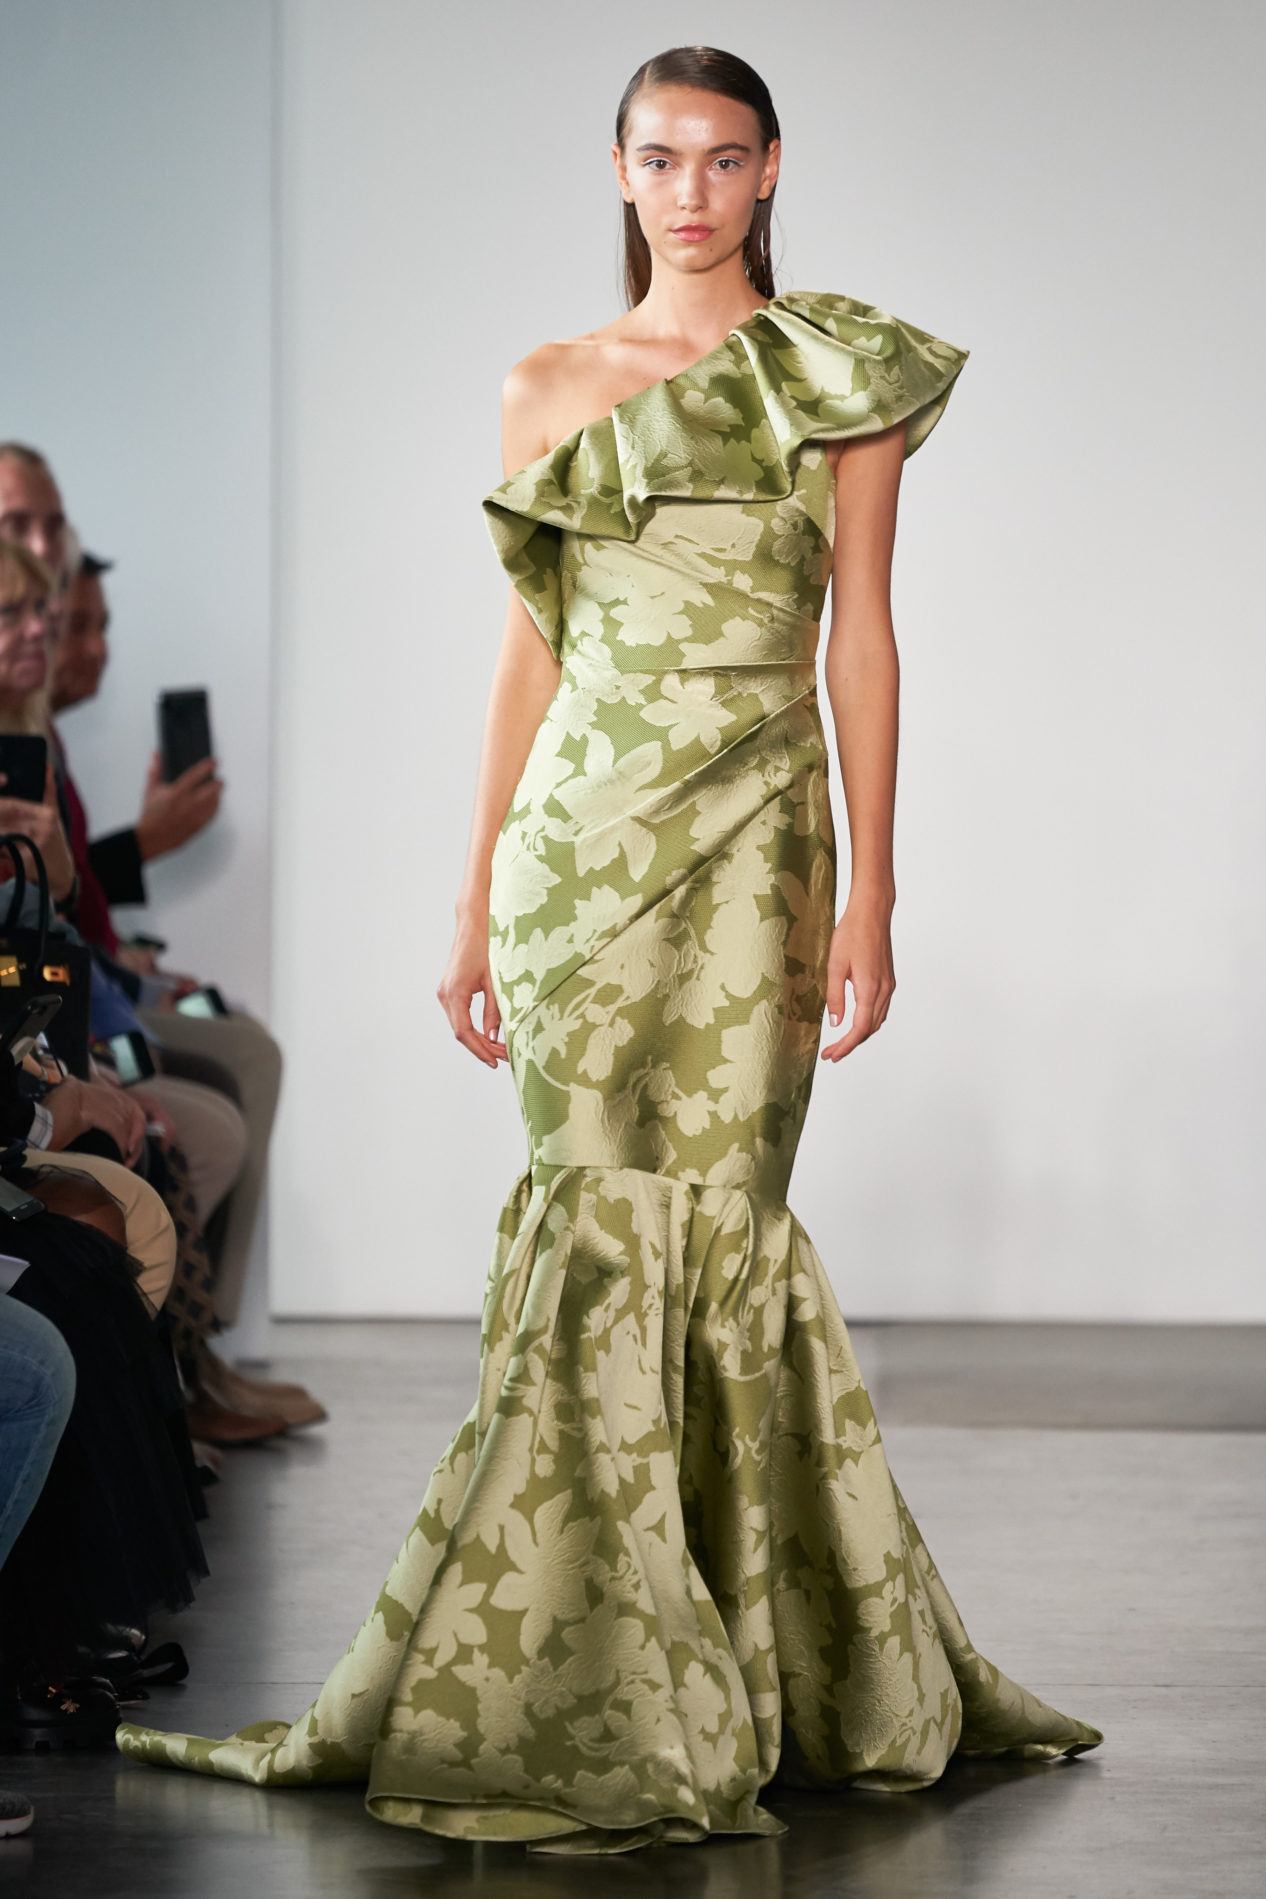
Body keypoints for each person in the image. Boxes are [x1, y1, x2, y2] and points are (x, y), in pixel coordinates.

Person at [115, 45, 1104, 1852]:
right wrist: (471, 893)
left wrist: (875, 891)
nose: (691, 192)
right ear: (621, 172)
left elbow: (862, 641)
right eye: (660, 159)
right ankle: (579, 1668)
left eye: (723, 159)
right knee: (585, 1226)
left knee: (720, 1224)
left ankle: (741, 1659)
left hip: (760, 843)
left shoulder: (836, 376)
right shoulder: (546, 384)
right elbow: (532, 648)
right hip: (579, 852)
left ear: (772, 168)